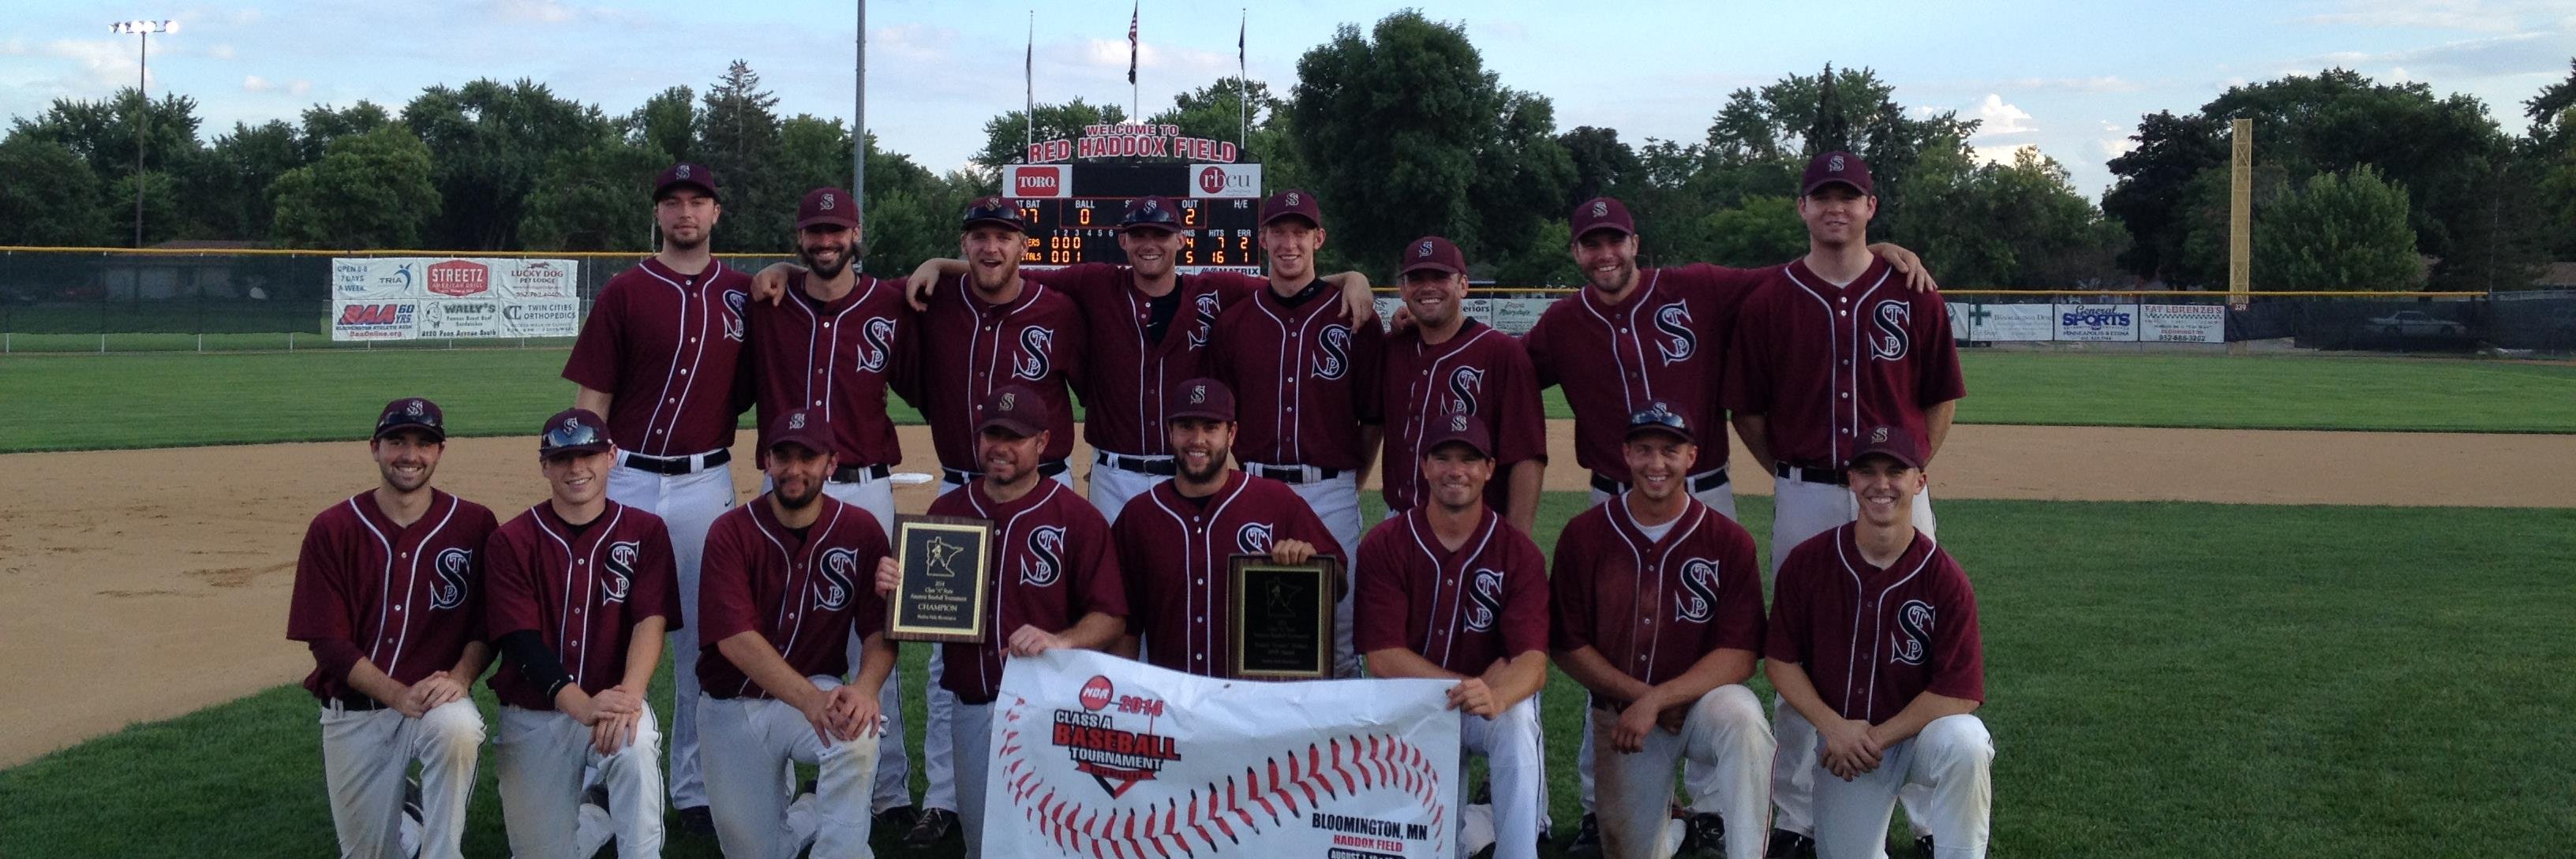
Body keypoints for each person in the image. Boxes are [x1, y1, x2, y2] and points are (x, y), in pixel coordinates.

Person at [1522, 197, 1935, 854]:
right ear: (1575, 253)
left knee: (1713, 642)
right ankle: (1605, 803)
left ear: (1636, 241)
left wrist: (1874, 253)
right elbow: (1504, 368)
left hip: (1706, 492)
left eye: (1615, 241)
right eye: (1590, 244)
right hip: (1609, 503)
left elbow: (1796, 273)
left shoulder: (1696, 287)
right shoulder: (1563, 323)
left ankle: (1714, 808)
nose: (1605, 255)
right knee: (1604, 651)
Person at [1720, 152, 1967, 857]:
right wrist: (1796, 475)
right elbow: (1750, 412)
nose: (1836, 207)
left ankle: (1925, 818)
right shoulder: (1770, 299)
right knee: (1801, 648)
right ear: (1801, 208)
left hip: (1899, 491)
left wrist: (1909, 474)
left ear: (1870, 207)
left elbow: (1941, 395)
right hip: (1806, 490)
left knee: (1912, 649)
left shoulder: (1911, 289)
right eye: (1822, 196)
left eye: (1849, 196)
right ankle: (1796, 819)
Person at [881, 196, 1376, 522]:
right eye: (1138, 234)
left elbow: (1288, 287)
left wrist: (1351, 278)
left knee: (1189, 599)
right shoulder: (1096, 283)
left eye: (1160, 235)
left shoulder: (1215, 289)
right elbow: (1008, 272)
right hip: (1116, 475)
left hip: (1193, 470)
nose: (1149, 244)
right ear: (1123, 241)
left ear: (1181, 240)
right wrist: (941, 264)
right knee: (1116, 609)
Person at [560, 162, 755, 831]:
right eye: (672, 202)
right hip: (630, 473)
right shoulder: (626, 291)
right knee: (610, 625)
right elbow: (590, 402)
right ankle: (600, 772)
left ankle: (694, 786)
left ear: (717, 213)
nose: (685, 212)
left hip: (706, 480)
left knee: (705, 636)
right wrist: (585, 476)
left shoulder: (743, 293)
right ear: (659, 214)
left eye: (698, 200)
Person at [874, 385, 1128, 859]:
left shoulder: (1076, 517)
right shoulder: (946, 513)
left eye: (1015, 436)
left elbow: (1111, 617)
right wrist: (895, 584)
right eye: (992, 434)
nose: (1001, 447)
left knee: (1056, 841)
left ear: (1043, 442)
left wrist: (1061, 640)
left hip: (1049, 712)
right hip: (972, 708)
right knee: (984, 844)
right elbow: (920, 610)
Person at [741, 185, 927, 831]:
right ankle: (784, 775)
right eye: (813, 234)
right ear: (799, 239)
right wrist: (779, 273)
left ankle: (889, 789)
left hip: (865, 485)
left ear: (856, 235)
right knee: (779, 628)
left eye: (836, 232)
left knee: (874, 632)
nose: (825, 243)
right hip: (786, 486)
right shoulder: (768, 301)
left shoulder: (888, 302)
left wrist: (944, 265)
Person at [1548, 403, 1773, 859]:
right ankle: (1672, 830)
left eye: (1670, 451)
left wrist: (1660, 698)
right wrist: (1641, 698)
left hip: (1700, 707)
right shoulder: (1584, 535)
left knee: (1744, 718)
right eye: (1645, 450)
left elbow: (1740, 653)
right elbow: (1568, 645)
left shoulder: (1728, 540)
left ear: (1692, 456)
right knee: (1632, 852)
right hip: (1625, 715)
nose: (1657, 464)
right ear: (1626, 455)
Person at [1763, 425, 1990, 859]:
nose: (1881, 484)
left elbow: (1958, 694)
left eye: (1896, 471)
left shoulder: (1945, 580)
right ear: (1851, 480)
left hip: (1918, 739)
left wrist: (1874, 737)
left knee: (1966, 741)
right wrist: (1833, 728)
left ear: (1919, 482)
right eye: (1867, 471)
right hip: (1848, 751)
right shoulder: (1809, 564)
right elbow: (1780, 662)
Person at [285, 397, 498, 859]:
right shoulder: (333, 528)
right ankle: (408, 812)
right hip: (354, 711)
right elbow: (326, 641)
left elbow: (487, 623)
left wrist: (460, 678)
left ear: (440, 452)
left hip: (435, 703)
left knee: (457, 728)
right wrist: (397, 696)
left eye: (424, 443)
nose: (410, 454)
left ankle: (442, 851)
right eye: (397, 441)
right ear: (374, 448)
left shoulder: (474, 523)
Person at [695, 409, 898, 859]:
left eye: (809, 458)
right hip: (734, 706)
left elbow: (880, 629)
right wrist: (811, 702)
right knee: (759, 852)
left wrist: (864, 689)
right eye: (783, 456)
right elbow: (735, 639)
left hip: (818, 692)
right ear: (765, 461)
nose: (794, 470)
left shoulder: (861, 531)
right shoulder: (730, 532)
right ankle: (808, 811)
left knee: (858, 731)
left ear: (831, 463)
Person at [1201, 189, 1386, 677]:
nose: (1289, 243)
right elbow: (1220, 417)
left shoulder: (1355, 317)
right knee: (1251, 630)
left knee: (1339, 635)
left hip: (1331, 488)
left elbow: (1373, 417)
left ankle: (1340, 752)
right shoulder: (1236, 321)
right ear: (1262, 239)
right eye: (1278, 232)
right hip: (1256, 487)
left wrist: (1350, 481)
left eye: (1299, 232)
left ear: (1318, 238)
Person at [483, 408, 680, 859]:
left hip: (614, 703)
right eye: (564, 458)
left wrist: (629, 698)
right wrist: (582, 704)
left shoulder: (645, 532)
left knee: (636, 745)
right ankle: (596, 814)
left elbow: (651, 620)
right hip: (535, 714)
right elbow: (520, 639)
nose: (577, 468)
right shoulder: (512, 540)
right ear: (545, 465)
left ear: (611, 456)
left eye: (589, 454)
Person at [1353, 413, 1548, 859]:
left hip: (1485, 706)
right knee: (1431, 849)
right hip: (1412, 706)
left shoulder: (1518, 553)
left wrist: (1497, 698)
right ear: (1424, 466)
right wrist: (1474, 684)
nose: (1455, 470)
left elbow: (1533, 663)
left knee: (1517, 721)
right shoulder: (1385, 544)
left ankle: (1518, 853)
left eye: (1469, 459)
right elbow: (1384, 658)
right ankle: (1471, 828)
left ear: (1489, 469)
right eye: (1443, 458)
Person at [1110, 378, 1345, 675]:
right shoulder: (1140, 515)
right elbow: (1124, 622)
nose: (1198, 440)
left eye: (1211, 427)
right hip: (1173, 702)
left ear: (1231, 433)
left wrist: (1312, 564)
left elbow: (1338, 582)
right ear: (1170, 432)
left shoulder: (1275, 501)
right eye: (1186, 427)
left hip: (1251, 705)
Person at [1377, 236, 1547, 534]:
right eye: (1416, 278)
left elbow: (1526, 456)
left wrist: (1518, 543)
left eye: (1441, 276)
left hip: (1475, 527)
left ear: (1464, 286)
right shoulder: (1392, 349)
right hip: (1400, 524)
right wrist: (1351, 279)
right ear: (1403, 289)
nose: (1428, 287)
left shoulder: (1502, 353)